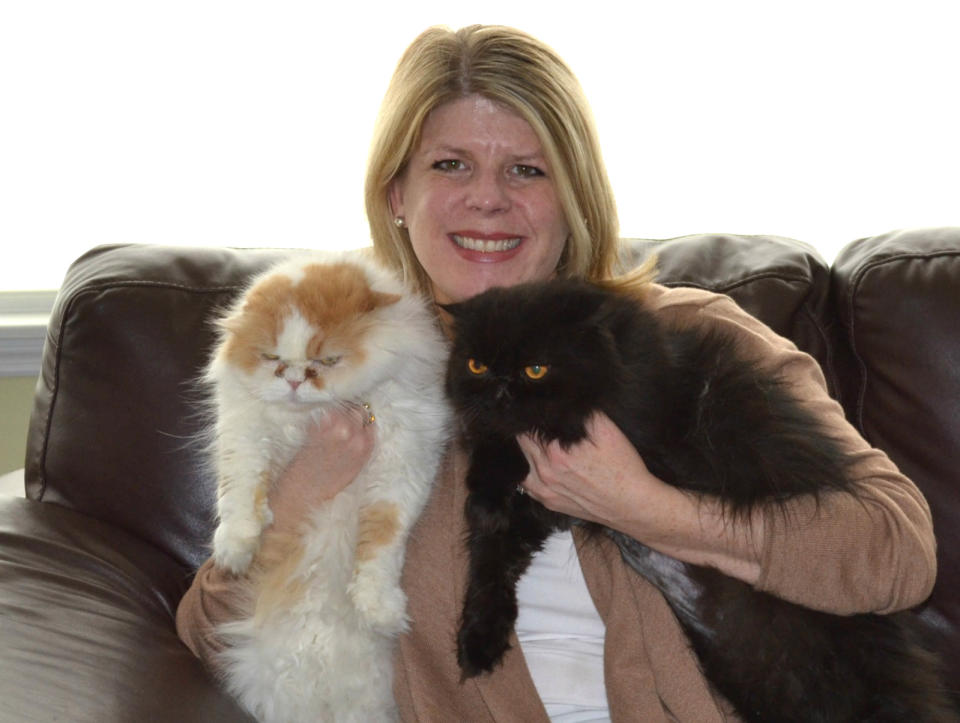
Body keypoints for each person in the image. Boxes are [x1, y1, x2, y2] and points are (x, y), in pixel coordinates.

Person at [176, 25, 937, 721]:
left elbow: (897, 553)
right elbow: (212, 632)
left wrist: (651, 509)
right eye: (451, 164)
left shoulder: (688, 335)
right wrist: (297, 497)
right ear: (396, 194)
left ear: (573, 195)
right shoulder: (355, 378)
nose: (487, 198)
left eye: (527, 170)